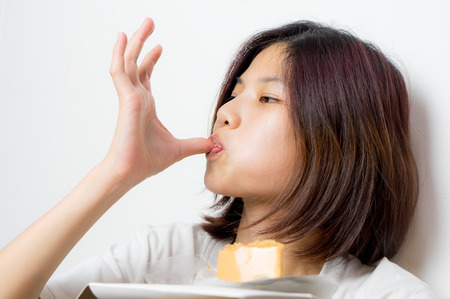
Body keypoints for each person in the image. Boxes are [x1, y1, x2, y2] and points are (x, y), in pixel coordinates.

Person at [0, 17, 436, 298]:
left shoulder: (385, 294)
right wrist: (115, 173)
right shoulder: (163, 257)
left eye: (267, 98)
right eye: (234, 92)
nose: (225, 113)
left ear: (340, 138)